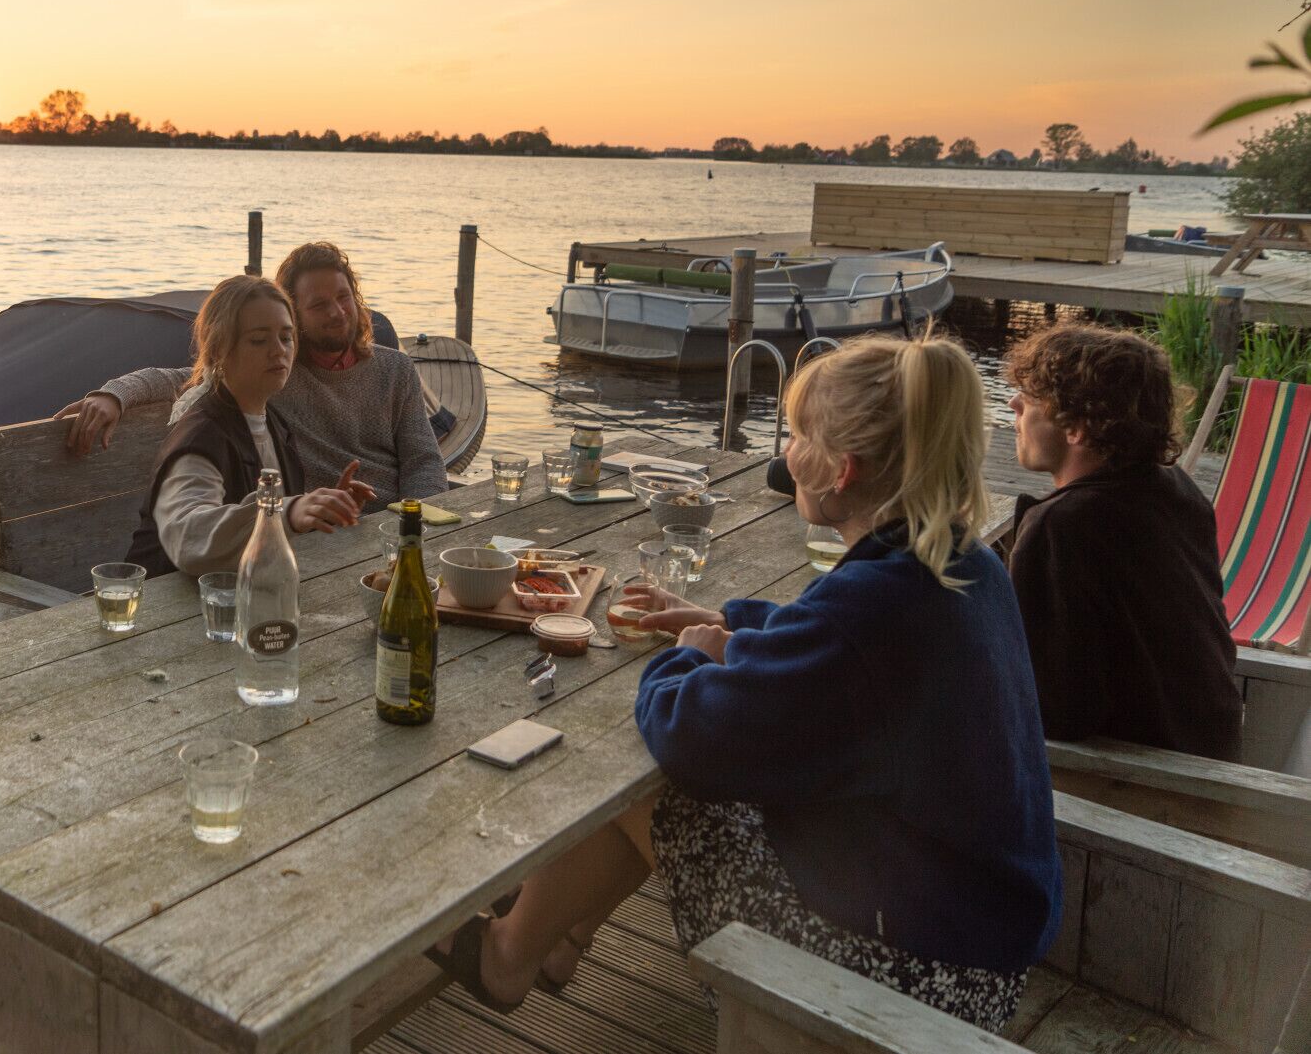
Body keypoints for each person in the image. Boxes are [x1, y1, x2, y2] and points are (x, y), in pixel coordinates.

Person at [431, 337, 1060, 1033]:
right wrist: (728, 624)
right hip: (977, 943)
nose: (784, 451)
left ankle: (510, 956)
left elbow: (691, 732)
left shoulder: (875, 610)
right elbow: (831, 648)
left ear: (840, 470)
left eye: (794, 436)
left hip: (913, 976)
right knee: (681, 771)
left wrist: (689, 657)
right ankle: (558, 941)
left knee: (663, 773)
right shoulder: (956, 561)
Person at [1005, 323, 1241, 759]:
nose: (1013, 403)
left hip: (1146, 780)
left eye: (1032, 397)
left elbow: (1054, 711)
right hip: (1209, 751)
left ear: (1078, 426)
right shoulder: (1177, 490)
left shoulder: (1062, 526)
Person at [59, 242, 448, 506]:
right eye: (319, 305)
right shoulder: (275, 370)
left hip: (395, 527)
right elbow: (181, 379)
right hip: (318, 530)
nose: (337, 312)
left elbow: (424, 461)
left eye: (344, 298)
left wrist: (415, 524)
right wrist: (113, 394)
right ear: (293, 313)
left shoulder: (395, 368)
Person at [128, 275, 371, 576]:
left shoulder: (275, 426)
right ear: (218, 349)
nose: (278, 350)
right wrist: (287, 512)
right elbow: (188, 535)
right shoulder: (200, 438)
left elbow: (271, 534)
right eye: (259, 339)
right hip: (165, 610)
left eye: (286, 336)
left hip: (241, 597)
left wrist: (324, 511)